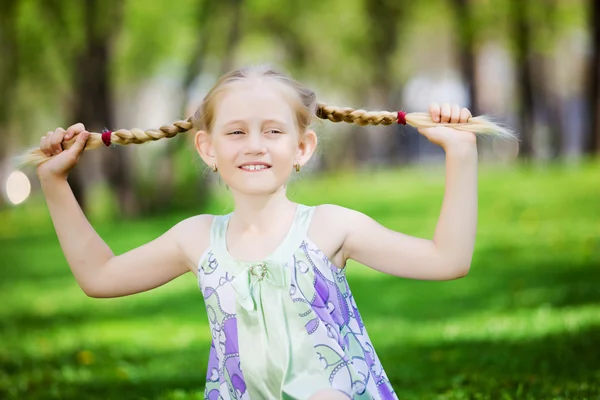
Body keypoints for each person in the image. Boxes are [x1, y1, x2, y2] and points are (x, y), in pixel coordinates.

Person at [33, 65, 509, 399]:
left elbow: (448, 260)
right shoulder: (197, 240)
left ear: (303, 147)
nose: (255, 145)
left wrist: (460, 155)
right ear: (207, 148)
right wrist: (54, 182)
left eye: (273, 132)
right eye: (236, 132)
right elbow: (99, 276)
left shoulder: (329, 227)